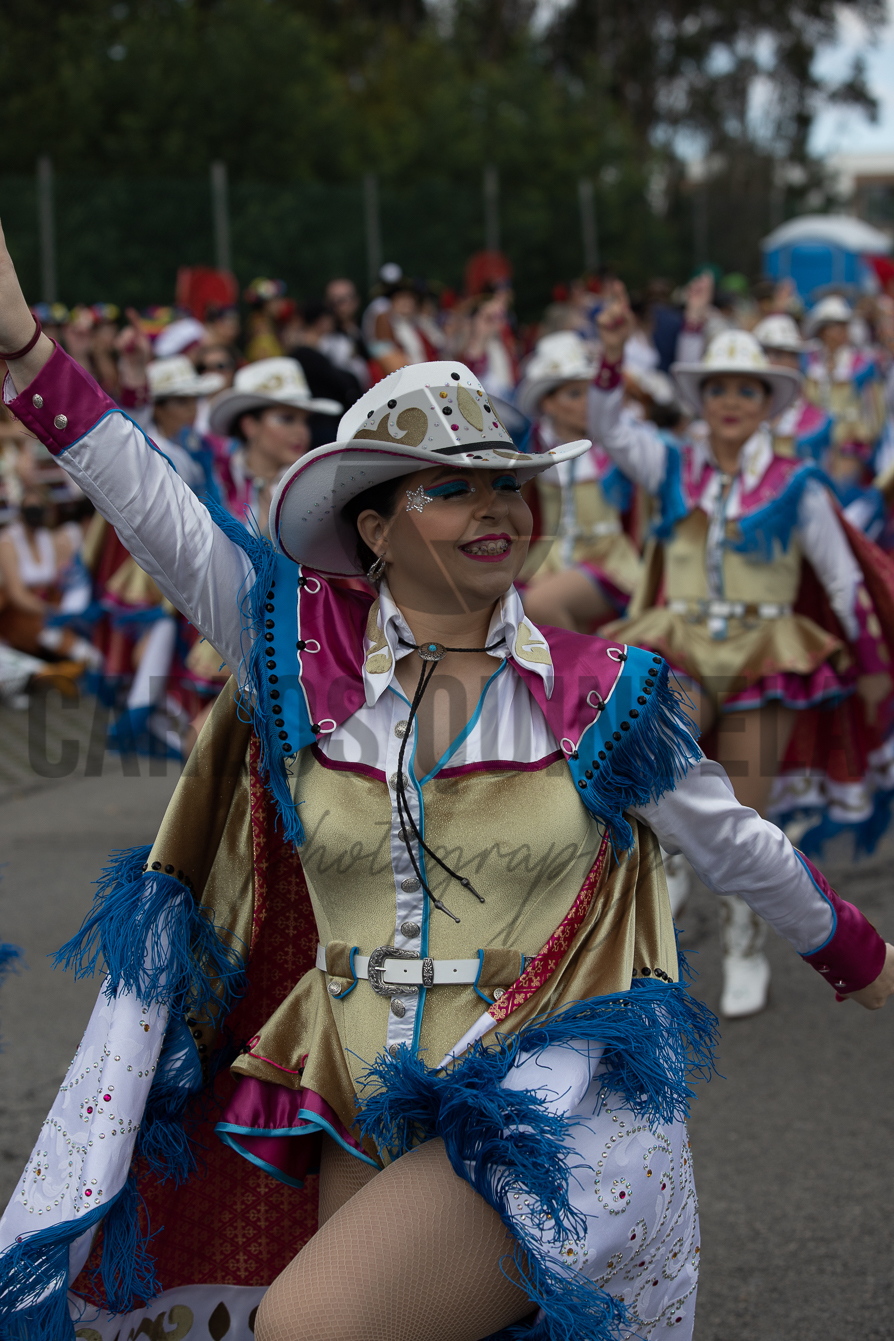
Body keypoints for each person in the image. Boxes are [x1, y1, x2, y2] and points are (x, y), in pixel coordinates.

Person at [0, 223, 892, 1341]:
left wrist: (863, 956)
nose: (496, 510)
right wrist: (27, 351)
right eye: (452, 490)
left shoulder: (600, 692)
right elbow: (155, 507)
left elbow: (735, 840)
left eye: (506, 486)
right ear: (373, 528)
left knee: (309, 1327)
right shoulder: (294, 660)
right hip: (354, 1090)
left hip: (535, 1110)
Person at [590, 303, 894, 1021]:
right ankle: (655, 907)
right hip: (682, 646)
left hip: (768, 655)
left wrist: (872, 661)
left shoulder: (799, 483)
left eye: (746, 390)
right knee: (651, 778)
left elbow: (843, 579)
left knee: (745, 813)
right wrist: (610, 355)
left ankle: (743, 942)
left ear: (767, 403)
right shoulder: (671, 464)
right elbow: (610, 429)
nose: (731, 401)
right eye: (718, 388)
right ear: (702, 398)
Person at [516, 331, 640, 633]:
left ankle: (580, 664)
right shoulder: (533, 449)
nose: (587, 403)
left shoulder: (619, 444)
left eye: (590, 393)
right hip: (551, 559)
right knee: (501, 602)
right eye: (574, 394)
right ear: (548, 403)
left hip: (609, 560)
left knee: (540, 603)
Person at [208, 355, 343, 535]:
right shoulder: (215, 477)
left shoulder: (319, 490)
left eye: (305, 421)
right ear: (250, 426)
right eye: (287, 419)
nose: (301, 431)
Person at [753, 314, 833, 462]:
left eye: (793, 356)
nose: (788, 363)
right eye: (777, 355)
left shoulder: (817, 420)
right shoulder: (743, 410)